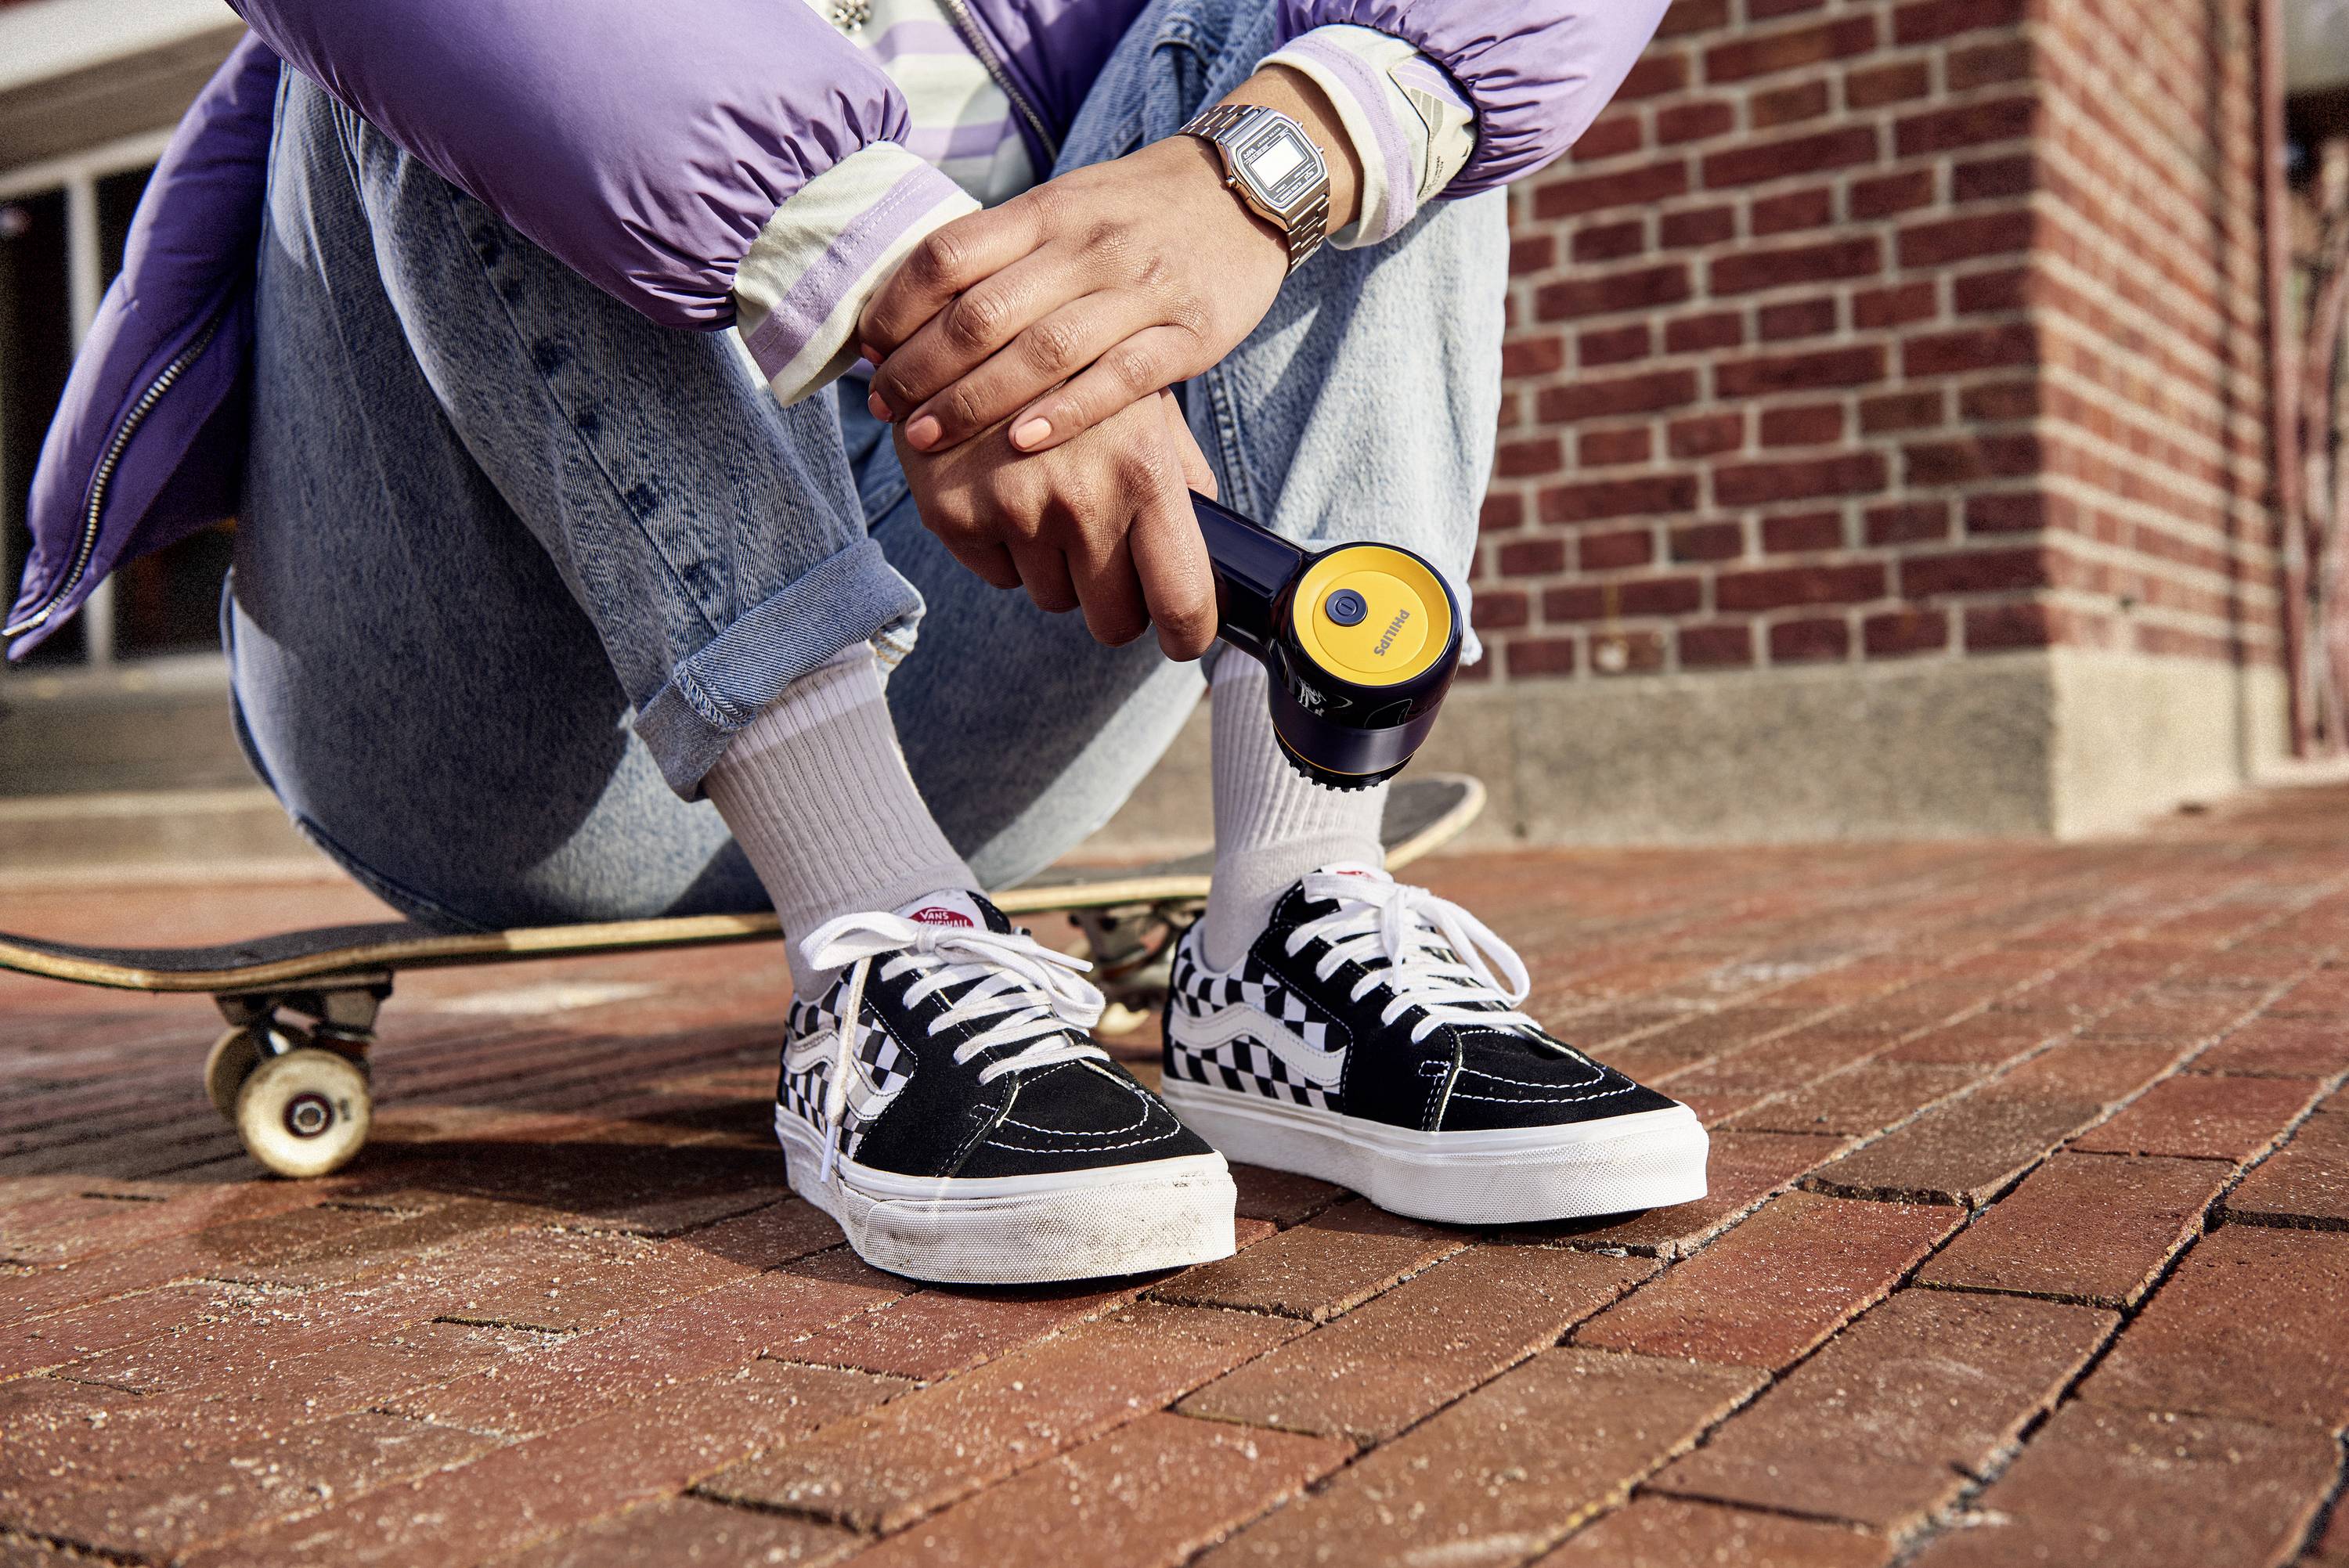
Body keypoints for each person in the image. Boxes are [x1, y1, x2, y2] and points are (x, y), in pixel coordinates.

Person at [9, 0, 1709, 1284]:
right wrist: (909, 286)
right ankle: (877, 940)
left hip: (973, 694)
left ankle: (1297, 925)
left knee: (1369, 59)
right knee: (420, 59)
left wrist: (1259, 180)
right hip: (501, 729)